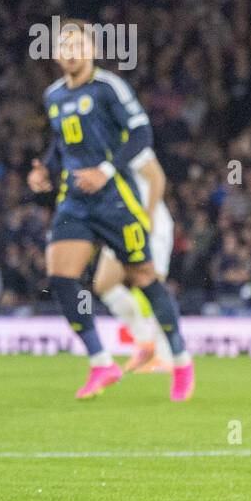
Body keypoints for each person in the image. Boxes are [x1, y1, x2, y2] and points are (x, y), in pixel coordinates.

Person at [26, 19, 195, 401]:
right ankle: (102, 362)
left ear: (92, 51)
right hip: (75, 200)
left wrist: (105, 171)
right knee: (60, 275)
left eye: (77, 45)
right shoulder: (53, 96)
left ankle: (181, 360)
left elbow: (142, 134)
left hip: (117, 200)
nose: (70, 51)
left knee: (145, 278)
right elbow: (60, 143)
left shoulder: (108, 88)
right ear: (55, 54)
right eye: (64, 45)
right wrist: (45, 172)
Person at [91, 148, 175, 373]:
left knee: (153, 286)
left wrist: (147, 215)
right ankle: (144, 340)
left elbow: (157, 177)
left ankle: (165, 357)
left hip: (151, 223)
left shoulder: (126, 139)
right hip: (122, 226)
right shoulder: (94, 148)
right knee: (103, 284)